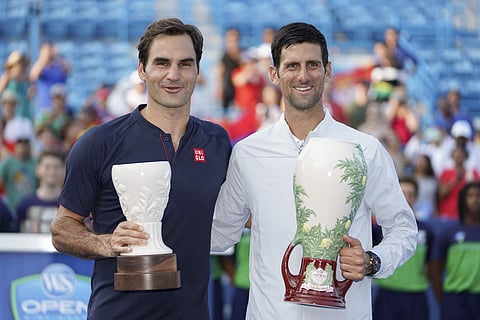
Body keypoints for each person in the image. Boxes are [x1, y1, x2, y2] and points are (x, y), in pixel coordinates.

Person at [211, 22, 417, 320]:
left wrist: (373, 261)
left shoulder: (365, 149)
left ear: (328, 70)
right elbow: (219, 234)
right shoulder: (247, 153)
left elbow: (404, 229)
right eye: (292, 65)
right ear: (274, 74)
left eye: (312, 65)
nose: (303, 76)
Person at [50, 18, 232, 319]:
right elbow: (62, 229)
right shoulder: (99, 143)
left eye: (185, 64)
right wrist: (104, 243)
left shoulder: (216, 141)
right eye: (161, 63)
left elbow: (244, 212)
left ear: (198, 72)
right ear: (142, 70)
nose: (173, 75)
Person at [372, 176, 434, 320]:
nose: (406, 198)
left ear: (417, 198)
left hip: (417, 294)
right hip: (387, 293)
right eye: (402, 193)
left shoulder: (426, 230)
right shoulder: (379, 229)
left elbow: (431, 264)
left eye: (411, 194)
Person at [430, 181, 480, 320]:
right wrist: (445, 299)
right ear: (463, 200)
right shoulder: (449, 231)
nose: (475, 199)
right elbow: (435, 269)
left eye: (478, 196)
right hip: (454, 297)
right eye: (470, 196)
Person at [16, 149, 65, 232]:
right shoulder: (24, 205)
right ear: (38, 169)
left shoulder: (71, 205)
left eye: (56, 167)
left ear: (63, 170)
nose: (52, 171)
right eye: (47, 167)